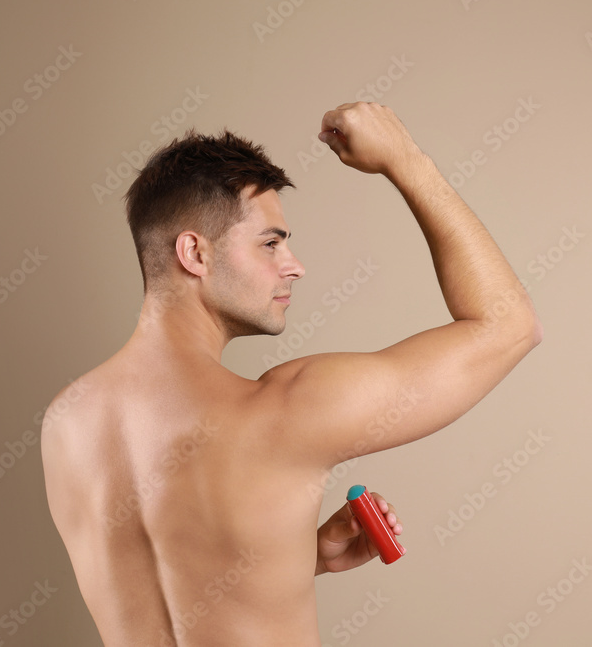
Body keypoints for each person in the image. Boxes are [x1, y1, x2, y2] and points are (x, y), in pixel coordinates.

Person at [40, 101, 542, 645]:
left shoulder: (67, 421)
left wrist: (300, 561)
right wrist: (405, 157)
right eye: (271, 243)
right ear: (194, 253)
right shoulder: (290, 409)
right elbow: (510, 325)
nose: (294, 265)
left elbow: (170, 583)